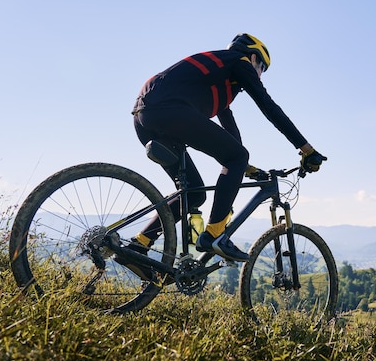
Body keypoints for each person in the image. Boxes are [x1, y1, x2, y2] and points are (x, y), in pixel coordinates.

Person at [126, 33, 326, 263]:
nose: (259, 74)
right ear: (253, 58)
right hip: (169, 110)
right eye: (262, 67)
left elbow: (230, 133)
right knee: (236, 157)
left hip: (144, 116)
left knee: (195, 193)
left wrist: (246, 168)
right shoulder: (239, 63)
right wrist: (306, 149)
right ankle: (214, 235)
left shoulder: (219, 78)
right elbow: (268, 106)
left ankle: (138, 245)